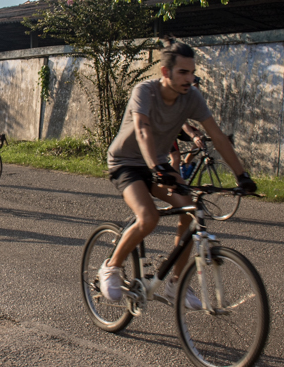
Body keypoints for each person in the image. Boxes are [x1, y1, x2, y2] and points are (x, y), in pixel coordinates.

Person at [98, 39, 256, 308]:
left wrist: (242, 175)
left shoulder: (191, 97)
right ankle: (111, 267)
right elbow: (143, 130)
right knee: (148, 218)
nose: (189, 78)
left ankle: (175, 284)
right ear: (165, 72)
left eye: (192, 72)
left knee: (191, 210)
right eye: (183, 72)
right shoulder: (144, 92)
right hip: (127, 162)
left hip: (157, 163)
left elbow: (217, 136)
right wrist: (156, 169)